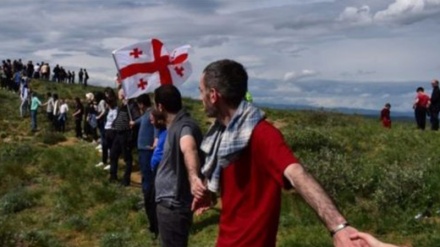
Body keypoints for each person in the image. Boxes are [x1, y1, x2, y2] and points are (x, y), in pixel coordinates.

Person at [194, 59, 365, 247]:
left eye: (201, 91)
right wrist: (209, 193)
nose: (200, 98)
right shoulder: (224, 135)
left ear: (213, 95)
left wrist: (338, 227)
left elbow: (297, 174)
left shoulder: (262, 134)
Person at [153, 85, 205, 247]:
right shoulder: (177, 124)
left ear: (160, 106)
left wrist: (193, 177)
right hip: (171, 204)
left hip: (173, 206)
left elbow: (189, 147)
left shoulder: (184, 126)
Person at [129, 94, 156, 237]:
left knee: (148, 180)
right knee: (145, 177)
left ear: (141, 104)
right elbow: (140, 120)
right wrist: (134, 122)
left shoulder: (152, 113)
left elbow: (156, 125)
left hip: (148, 150)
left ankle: (149, 200)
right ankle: (147, 198)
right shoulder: (145, 114)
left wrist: (155, 141)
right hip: (143, 150)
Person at [109, 89, 137, 186]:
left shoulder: (132, 105)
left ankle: (126, 180)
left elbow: (136, 118)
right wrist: (115, 122)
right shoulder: (123, 105)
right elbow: (120, 116)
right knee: (113, 154)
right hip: (118, 133)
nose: (118, 94)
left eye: (120, 92)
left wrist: (133, 123)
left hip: (126, 134)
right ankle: (113, 176)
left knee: (127, 158)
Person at [147, 109, 167, 238]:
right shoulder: (161, 132)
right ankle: (154, 228)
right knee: (150, 200)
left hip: (161, 170)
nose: (150, 121)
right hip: (155, 169)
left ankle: (158, 230)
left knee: (153, 201)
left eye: (152, 119)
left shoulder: (169, 132)